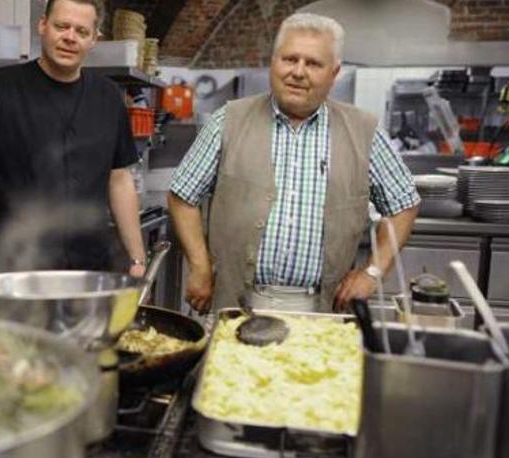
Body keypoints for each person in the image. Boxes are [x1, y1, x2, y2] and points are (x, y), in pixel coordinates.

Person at [168, 12, 420, 314]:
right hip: (233, 305)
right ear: (273, 62)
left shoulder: (363, 132)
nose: (298, 72)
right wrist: (199, 266)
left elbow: (404, 204)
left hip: (320, 312)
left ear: (334, 72)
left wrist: (372, 273)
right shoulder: (229, 120)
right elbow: (183, 195)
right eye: (290, 59)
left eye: (313, 63)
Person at [0, 0, 146, 281]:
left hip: (91, 268)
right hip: (17, 266)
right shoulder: (2, 87)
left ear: (93, 40)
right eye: (61, 26)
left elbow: (120, 179)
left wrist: (137, 259)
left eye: (81, 31)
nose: (70, 37)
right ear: (42, 26)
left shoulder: (108, 96)